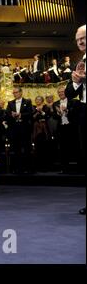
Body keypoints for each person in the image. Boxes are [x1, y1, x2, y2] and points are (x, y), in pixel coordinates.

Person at [64, 25, 86, 215]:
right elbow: (70, 93)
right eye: (78, 39)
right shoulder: (81, 62)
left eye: (84, 38)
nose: (81, 42)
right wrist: (76, 81)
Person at [6, 87, 33, 173]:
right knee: (16, 149)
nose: (15, 94)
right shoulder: (10, 103)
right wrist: (12, 115)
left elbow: (30, 113)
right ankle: (18, 168)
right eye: (13, 93)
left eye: (16, 92)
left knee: (26, 148)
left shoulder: (27, 102)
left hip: (25, 128)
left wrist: (20, 115)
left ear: (21, 92)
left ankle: (28, 168)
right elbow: (7, 114)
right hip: (15, 129)